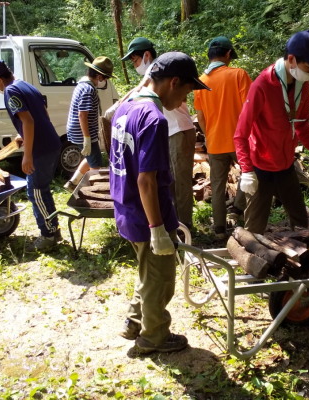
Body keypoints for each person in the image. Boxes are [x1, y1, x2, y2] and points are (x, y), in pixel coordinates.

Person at [109, 52, 210, 354]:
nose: (183, 101)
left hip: (125, 207)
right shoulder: (154, 119)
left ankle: (133, 321)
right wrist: (157, 229)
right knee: (161, 278)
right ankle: (153, 337)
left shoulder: (125, 107)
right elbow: (146, 180)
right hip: (146, 212)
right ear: (173, 82)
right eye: (185, 93)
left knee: (146, 272)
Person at [233, 30, 309, 234]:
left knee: (300, 219)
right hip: (260, 165)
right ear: (291, 59)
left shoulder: (302, 84)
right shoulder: (262, 85)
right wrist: (246, 170)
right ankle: (253, 261)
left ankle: (305, 258)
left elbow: (302, 124)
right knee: (255, 227)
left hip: (286, 162)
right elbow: (240, 133)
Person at [0, 59, 64, 252]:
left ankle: (48, 235)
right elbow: (43, 114)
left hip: (40, 150)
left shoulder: (10, 91)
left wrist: (27, 156)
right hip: (51, 143)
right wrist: (23, 136)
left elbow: (29, 121)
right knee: (41, 190)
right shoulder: (25, 85)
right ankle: (53, 230)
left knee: (35, 191)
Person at [121, 37, 197, 230]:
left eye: (135, 60)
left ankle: (184, 226)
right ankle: (173, 223)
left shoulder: (159, 69)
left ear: (147, 55)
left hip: (179, 130)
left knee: (180, 183)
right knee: (167, 181)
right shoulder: (156, 73)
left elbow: (136, 91)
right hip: (168, 131)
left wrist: (119, 108)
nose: (134, 64)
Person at [194, 36, 252, 239]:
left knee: (217, 185)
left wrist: (209, 134)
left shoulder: (201, 81)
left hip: (215, 141)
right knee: (251, 175)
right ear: (227, 54)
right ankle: (239, 210)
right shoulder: (239, 75)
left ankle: (219, 228)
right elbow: (249, 107)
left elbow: (200, 116)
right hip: (240, 140)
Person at [64, 56, 115, 192]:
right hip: (83, 131)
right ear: (99, 76)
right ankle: (94, 191)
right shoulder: (88, 89)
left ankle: (72, 183)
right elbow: (82, 114)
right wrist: (87, 138)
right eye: (105, 78)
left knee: (91, 157)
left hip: (79, 130)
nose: (104, 81)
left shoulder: (82, 85)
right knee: (96, 164)